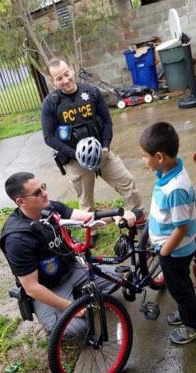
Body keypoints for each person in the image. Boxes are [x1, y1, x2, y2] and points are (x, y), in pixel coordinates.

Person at [0, 171, 136, 335]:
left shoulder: (49, 208)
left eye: (43, 187)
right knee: (80, 329)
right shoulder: (17, 239)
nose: (45, 193)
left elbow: (86, 219)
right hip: (48, 287)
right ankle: (58, 309)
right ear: (21, 201)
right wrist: (69, 306)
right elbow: (32, 288)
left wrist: (115, 216)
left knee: (121, 279)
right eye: (37, 192)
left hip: (72, 269)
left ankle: (79, 293)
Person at [40, 57, 146, 241]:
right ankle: (93, 231)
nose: (65, 80)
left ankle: (137, 217)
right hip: (75, 161)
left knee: (127, 182)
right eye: (59, 78)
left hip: (102, 154)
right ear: (52, 81)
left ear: (72, 70)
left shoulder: (91, 92)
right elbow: (48, 137)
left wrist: (105, 145)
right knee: (86, 202)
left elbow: (106, 121)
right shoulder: (50, 104)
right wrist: (75, 154)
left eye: (66, 74)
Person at [139, 122, 196, 344]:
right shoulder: (170, 171)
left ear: (159, 157)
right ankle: (191, 310)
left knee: (179, 289)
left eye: (143, 156)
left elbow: (181, 226)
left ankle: (194, 326)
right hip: (176, 248)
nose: (142, 161)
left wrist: (165, 252)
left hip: (175, 250)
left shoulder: (176, 187)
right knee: (182, 283)